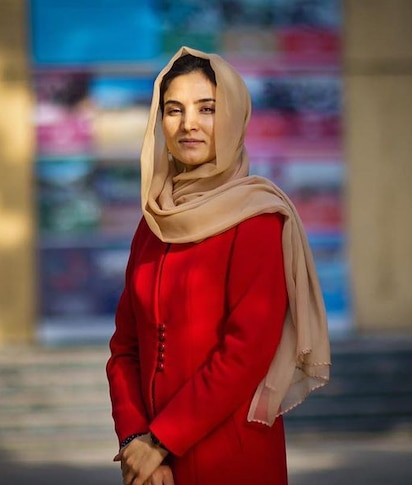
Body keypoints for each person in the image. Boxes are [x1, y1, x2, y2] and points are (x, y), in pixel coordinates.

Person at [106, 46, 331, 485]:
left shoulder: (258, 219)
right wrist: (135, 439)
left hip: (231, 458)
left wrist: (161, 441)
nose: (188, 123)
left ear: (232, 116)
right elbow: (125, 348)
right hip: (154, 469)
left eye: (206, 108)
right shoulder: (153, 224)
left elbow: (245, 353)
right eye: (174, 110)